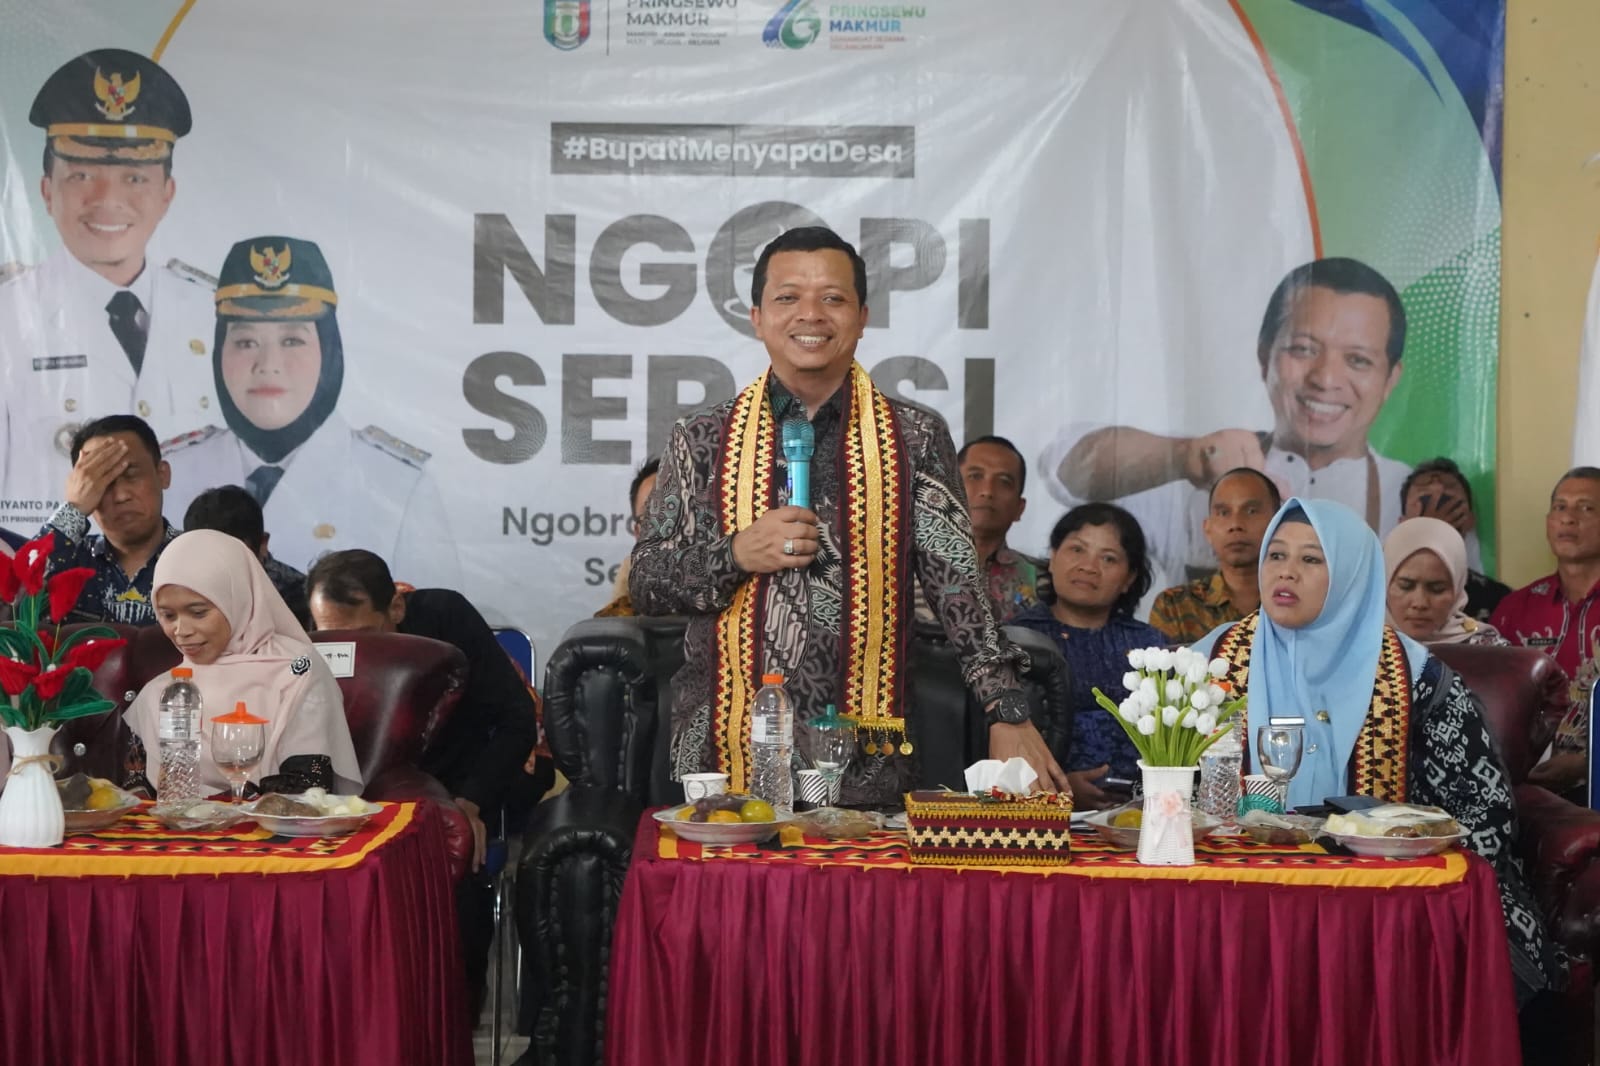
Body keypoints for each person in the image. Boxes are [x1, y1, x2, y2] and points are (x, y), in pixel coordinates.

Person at [628, 226, 1061, 805]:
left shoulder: (914, 436)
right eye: (788, 297)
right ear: (757, 318)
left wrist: (1006, 711)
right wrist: (736, 554)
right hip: (719, 754)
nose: (811, 314)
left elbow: (957, 585)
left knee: (861, 868)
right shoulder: (702, 436)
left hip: (867, 758)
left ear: (861, 318)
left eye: (832, 298)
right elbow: (647, 581)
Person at [1196, 498, 1556, 1005]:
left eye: (1311, 559)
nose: (1287, 572)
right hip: (1235, 883)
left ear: (1351, 574)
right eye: (1276, 555)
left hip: (1391, 890)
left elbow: (1485, 810)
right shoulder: (1209, 663)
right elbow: (1166, 786)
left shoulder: (1415, 675)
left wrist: (1411, 872)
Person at [1042, 257, 1412, 595]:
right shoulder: (1198, 474)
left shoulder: (1410, 498)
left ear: (1390, 379)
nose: (1325, 378)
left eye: (1358, 360)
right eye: (1303, 349)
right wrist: (1187, 457)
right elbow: (1064, 468)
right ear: (1264, 355)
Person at [305, 547, 546, 1017]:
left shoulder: (445, 619)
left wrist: (471, 802)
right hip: (346, 803)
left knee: (457, 872)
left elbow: (516, 720)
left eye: (366, 636)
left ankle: (451, 1019)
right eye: (331, 637)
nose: (355, 652)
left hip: (450, 791)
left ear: (396, 607)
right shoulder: (303, 639)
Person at [0, 48, 216, 530]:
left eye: (134, 177)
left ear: (167, 193)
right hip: (52, 570)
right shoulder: (7, 317)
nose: (108, 199)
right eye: (81, 175)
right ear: (46, 191)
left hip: (189, 565)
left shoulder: (214, 316)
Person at [161, 236, 458, 585]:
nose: (268, 364)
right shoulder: (173, 473)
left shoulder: (399, 486)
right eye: (245, 342)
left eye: (292, 341)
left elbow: (431, 617)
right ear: (219, 352)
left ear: (328, 351)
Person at [124, 529, 362, 796]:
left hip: (272, 820)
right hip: (179, 822)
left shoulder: (297, 669)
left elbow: (308, 785)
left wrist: (229, 802)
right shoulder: (163, 692)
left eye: (198, 612)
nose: (182, 631)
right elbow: (138, 789)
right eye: (168, 616)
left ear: (238, 599)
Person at [1008, 504, 1167, 808]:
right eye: (1077, 550)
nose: (1089, 567)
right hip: (1042, 811)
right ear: (1052, 557)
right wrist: (1061, 787)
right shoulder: (1018, 639)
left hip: (1143, 813)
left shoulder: (1151, 646)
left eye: (1108, 558)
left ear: (1129, 578)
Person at [38, 414, 179, 625]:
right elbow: (16, 603)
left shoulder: (197, 556)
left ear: (163, 475)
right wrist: (74, 509)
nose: (121, 496)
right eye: (102, 483)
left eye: (131, 475)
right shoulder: (69, 560)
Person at [1149, 467, 1280, 643]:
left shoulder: (1299, 601)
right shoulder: (1175, 606)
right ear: (1208, 530)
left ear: (1278, 523)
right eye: (1223, 513)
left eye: (1251, 511)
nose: (1235, 524)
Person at [182, 484, 309, 628]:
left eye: (231, 558)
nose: (219, 571)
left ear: (262, 544)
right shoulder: (179, 593)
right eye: (207, 558)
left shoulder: (300, 599)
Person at [1399, 457, 1509, 619]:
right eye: (1426, 500)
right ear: (1403, 523)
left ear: (1469, 520)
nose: (1438, 487)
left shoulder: (1500, 601)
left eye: (1447, 501)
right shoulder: (1378, 593)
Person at [955, 435, 1045, 622]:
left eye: (1004, 481)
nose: (987, 491)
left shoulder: (1044, 580)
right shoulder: (903, 566)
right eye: (975, 476)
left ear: (1019, 508)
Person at [1382, 517, 1505, 646]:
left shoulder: (1488, 649)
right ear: (1384, 585)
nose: (1420, 603)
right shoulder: (1368, 643)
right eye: (1406, 586)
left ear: (1457, 590)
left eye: (1437, 589)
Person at [595, 457, 659, 617]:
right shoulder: (632, 569)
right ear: (638, 533)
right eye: (651, 516)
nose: (665, 525)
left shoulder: (717, 563)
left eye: (676, 509)